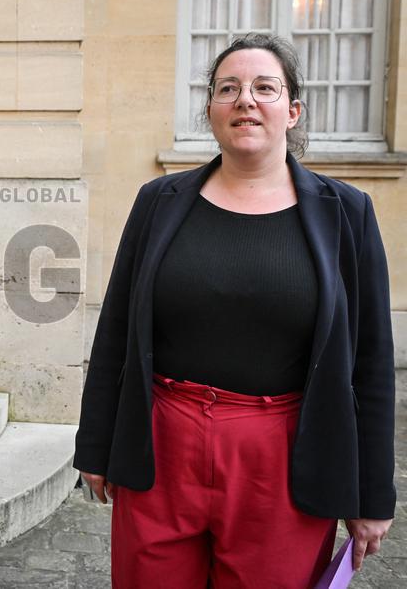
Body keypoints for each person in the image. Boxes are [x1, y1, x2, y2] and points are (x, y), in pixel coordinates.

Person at [73, 33, 395, 588]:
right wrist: (95, 446)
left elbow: (371, 362)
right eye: (228, 88)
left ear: (293, 111)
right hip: (162, 447)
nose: (245, 99)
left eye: (265, 88)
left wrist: (372, 495)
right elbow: (117, 331)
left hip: (284, 460)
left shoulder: (347, 213)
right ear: (211, 111)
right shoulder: (158, 202)